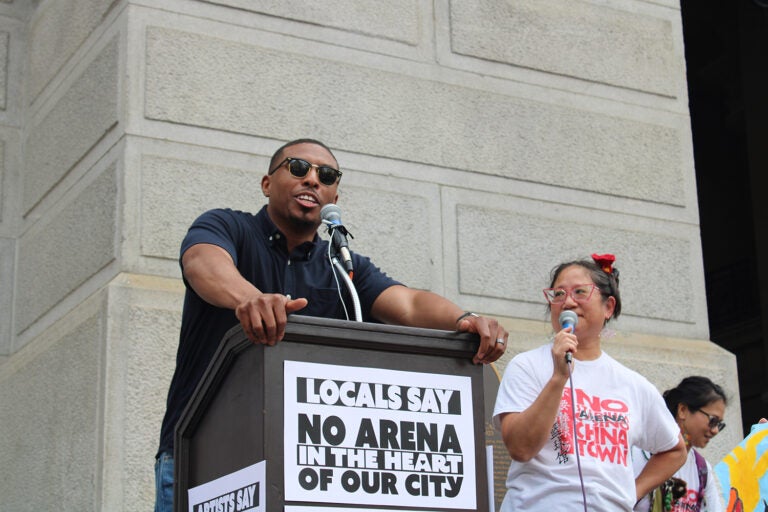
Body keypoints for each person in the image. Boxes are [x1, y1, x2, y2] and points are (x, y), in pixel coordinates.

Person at [154, 138, 509, 512]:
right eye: (298, 168)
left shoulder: (342, 266)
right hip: (204, 461)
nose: (312, 180)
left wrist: (464, 319)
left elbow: (409, 303)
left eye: (326, 176)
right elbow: (202, 262)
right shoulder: (227, 226)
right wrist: (248, 299)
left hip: (296, 472)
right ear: (266, 183)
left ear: (334, 200)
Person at [493, 254, 687, 511]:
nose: (568, 302)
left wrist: (631, 492)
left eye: (580, 292)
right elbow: (520, 448)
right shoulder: (527, 366)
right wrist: (558, 378)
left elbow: (674, 451)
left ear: (608, 307)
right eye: (558, 294)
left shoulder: (633, 385)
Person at [632, 376, 727, 511]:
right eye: (713, 421)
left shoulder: (702, 469)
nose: (715, 430)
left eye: (719, 424)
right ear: (682, 410)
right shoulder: (637, 453)